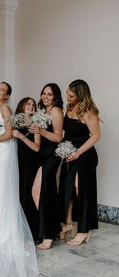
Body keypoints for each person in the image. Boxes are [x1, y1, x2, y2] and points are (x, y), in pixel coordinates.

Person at [0, 82, 38, 277]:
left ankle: (4, 234)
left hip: (4, 151)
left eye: (2, 89)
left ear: (7, 95)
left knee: (1, 188)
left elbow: (7, 134)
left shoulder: (5, 109)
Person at [59, 79, 101, 245]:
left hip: (85, 155)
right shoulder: (69, 108)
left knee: (80, 189)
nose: (67, 96)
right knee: (67, 188)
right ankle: (68, 224)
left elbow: (96, 136)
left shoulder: (89, 111)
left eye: (71, 94)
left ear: (80, 95)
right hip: (70, 154)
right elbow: (67, 133)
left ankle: (84, 230)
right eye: (67, 92)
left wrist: (77, 153)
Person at [30, 83, 64, 249]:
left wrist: (40, 131)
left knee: (44, 193)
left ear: (55, 96)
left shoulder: (56, 111)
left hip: (53, 155)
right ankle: (54, 228)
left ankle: (49, 235)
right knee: (41, 192)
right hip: (42, 155)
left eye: (49, 94)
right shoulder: (44, 112)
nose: (46, 96)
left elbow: (58, 137)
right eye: (44, 93)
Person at [12, 97, 40, 240]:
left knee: (28, 194)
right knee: (19, 193)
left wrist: (21, 136)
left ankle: (32, 231)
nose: (31, 106)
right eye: (28, 103)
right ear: (22, 105)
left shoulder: (35, 123)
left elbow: (36, 147)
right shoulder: (15, 121)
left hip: (31, 162)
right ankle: (19, 229)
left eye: (33, 105)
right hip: (17, 161)